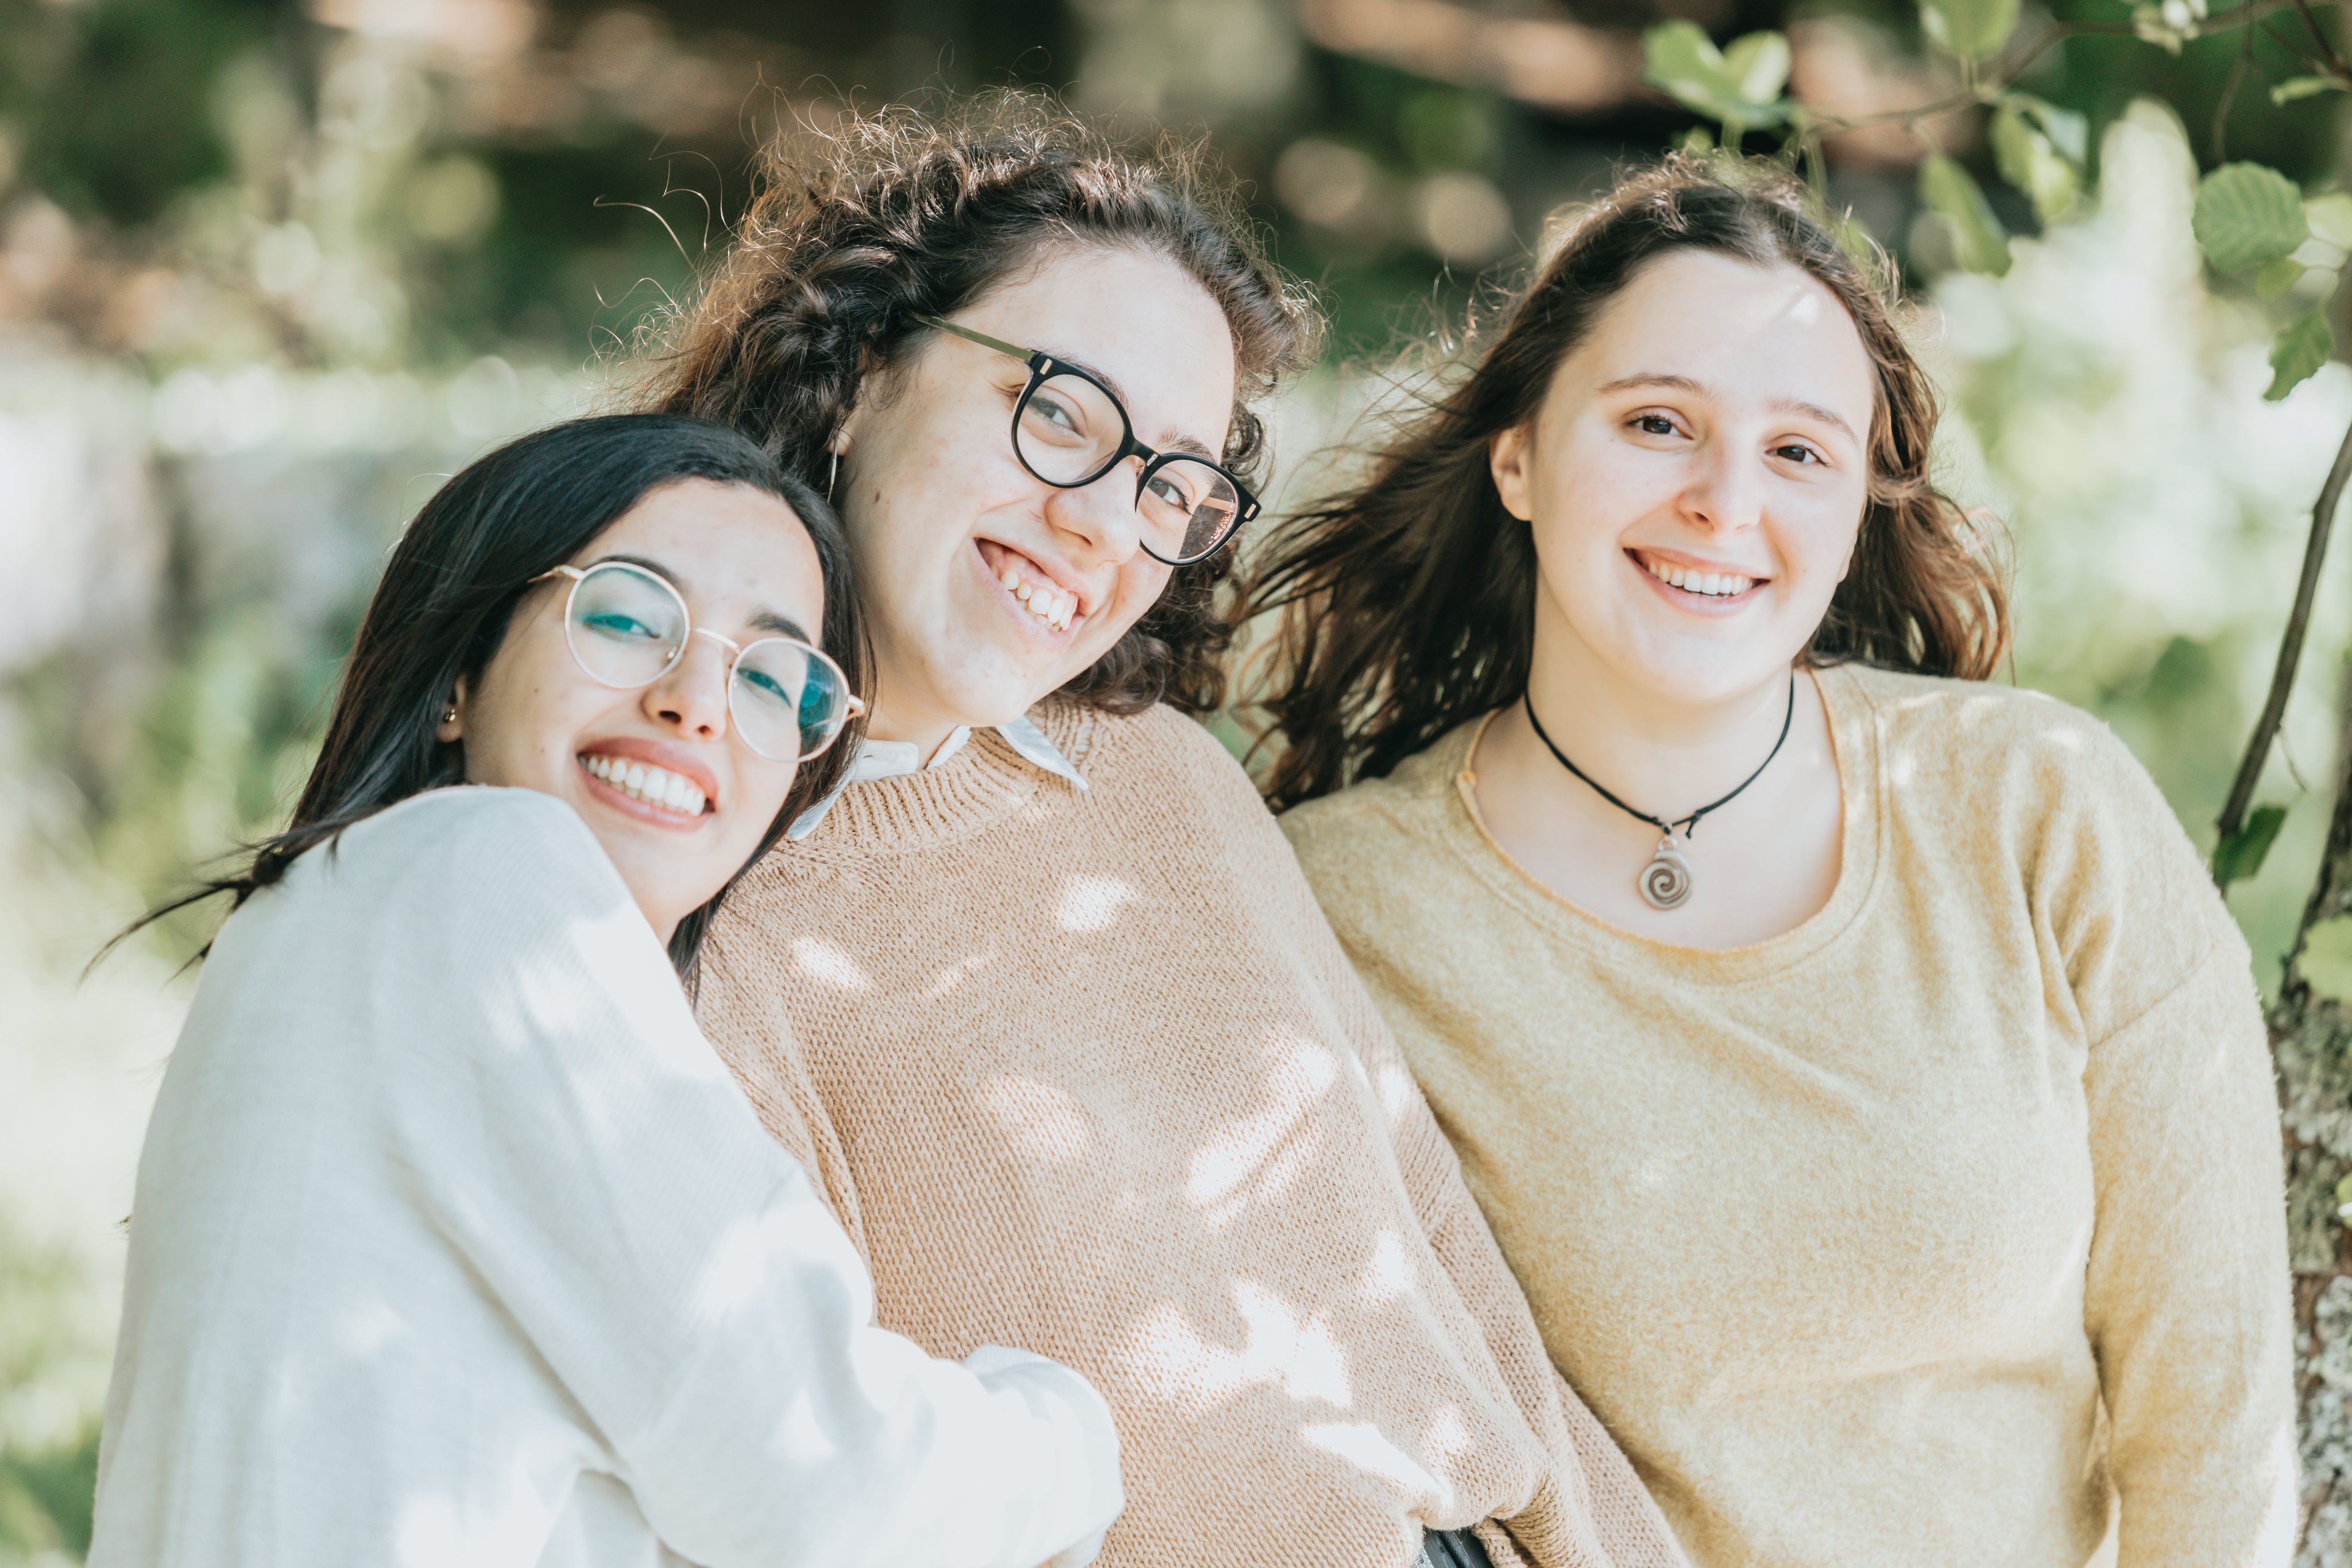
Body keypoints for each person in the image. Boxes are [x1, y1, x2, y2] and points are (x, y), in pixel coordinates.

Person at [639, 98, 1685, 1568]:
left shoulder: (1159, 783)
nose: (1101, 526)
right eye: (1059, 412)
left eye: (1171, 483)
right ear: (864, 369)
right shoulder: (692, 885)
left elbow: (1439, 1268)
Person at [1252, 156, 2297, 1567]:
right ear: (1517, 455)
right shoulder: (1338, 907)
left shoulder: (2042, 812)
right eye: (1654, 422)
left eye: (1798, 450)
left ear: (1858, 500)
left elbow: (2212, 1419)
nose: (1720, 500)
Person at [88, 413, 1125, 1568]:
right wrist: (1067, 1430)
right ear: (460, 678)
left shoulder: (337, 927)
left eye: (774, 676)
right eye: (630, 616)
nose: (696, 701)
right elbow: (826, 1482)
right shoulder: (481, 879)